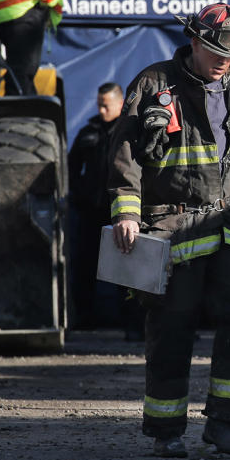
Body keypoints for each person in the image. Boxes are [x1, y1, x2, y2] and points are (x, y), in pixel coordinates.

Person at [107, 3, 230, 458]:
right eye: (218, 49)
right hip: (173, 225)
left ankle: (225, 424)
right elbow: (125, 152)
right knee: (172, 326)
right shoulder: (154, 83)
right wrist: (127, 212)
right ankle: (167, 430)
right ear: (194, 41)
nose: (225, 58)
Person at [67, 82, 134, 331]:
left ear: (119, 103)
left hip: (120, 213)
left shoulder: (129, 131)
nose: (101, 110)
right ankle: (85, 319)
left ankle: (130, 322)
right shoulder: (89, 132)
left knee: (125, 268)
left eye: (106, 105)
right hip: (90, 212)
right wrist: (79, 193)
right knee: (85, 265)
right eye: (99, 105)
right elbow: (71, 167)